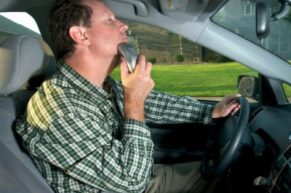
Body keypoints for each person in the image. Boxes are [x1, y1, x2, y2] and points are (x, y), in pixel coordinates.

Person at [16, 0, 240, 193]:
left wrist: (208, 111)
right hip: (130, 183)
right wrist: (134, 102)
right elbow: (132, 182)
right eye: (110, 21)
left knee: (229, 171)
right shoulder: (59, 109)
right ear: (81, 35)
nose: (124, 25)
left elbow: (152, 103)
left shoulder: (97, 86)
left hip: (139, 174)